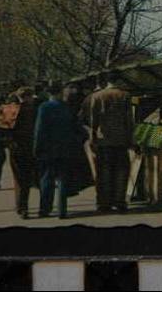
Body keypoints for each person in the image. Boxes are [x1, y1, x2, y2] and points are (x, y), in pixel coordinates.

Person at [33, 82, 88, 218]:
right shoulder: (66, 107)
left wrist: (37, 147)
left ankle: (45, 209)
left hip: (48, 149)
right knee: (63, 179)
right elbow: (77, 127)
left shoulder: (44, 107)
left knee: (47, 179)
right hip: (66, 149)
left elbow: (39, 129)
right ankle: (62, 210)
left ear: (49, 93)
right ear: (59, 93)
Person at [86, 75, 133, 212]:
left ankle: (103, 203)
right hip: (121, 140)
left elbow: (93, 120)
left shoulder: (97, 96)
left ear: (106, 82)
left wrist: (92, 139)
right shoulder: (125, 96)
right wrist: (131, 139)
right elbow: (129, 120)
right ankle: (120, 201)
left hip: (103, 140)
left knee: (103, 173)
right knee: (121, 172)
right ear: (119, 80)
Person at [7, 87, 39, 219]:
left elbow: (1, 130)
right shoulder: (34, 110)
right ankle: (23, 206)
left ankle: (20, 205)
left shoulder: (8, 109)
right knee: (26, 178)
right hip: (30, 146)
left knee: (18, 177)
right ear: (29, 96)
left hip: (15, 147)